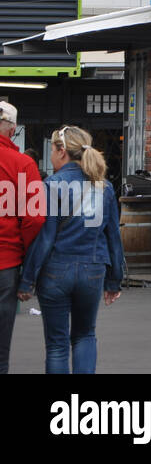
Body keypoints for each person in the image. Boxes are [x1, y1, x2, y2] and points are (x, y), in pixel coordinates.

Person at [16, 125, 125, 374]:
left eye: (52, 150)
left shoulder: (51, 185)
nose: (51, 156)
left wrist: (27, 280)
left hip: (56, 270)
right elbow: (113, 238)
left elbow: (45, 238)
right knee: (86, 335)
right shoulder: (104, 187)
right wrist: (114, 280)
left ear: (62, 151)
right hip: (93, 269)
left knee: (56, 345)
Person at [0, 101, 45, 374]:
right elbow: (36, 217)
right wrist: (26, 254)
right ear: (13, 129)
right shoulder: (24, 164)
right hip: (6, 264)